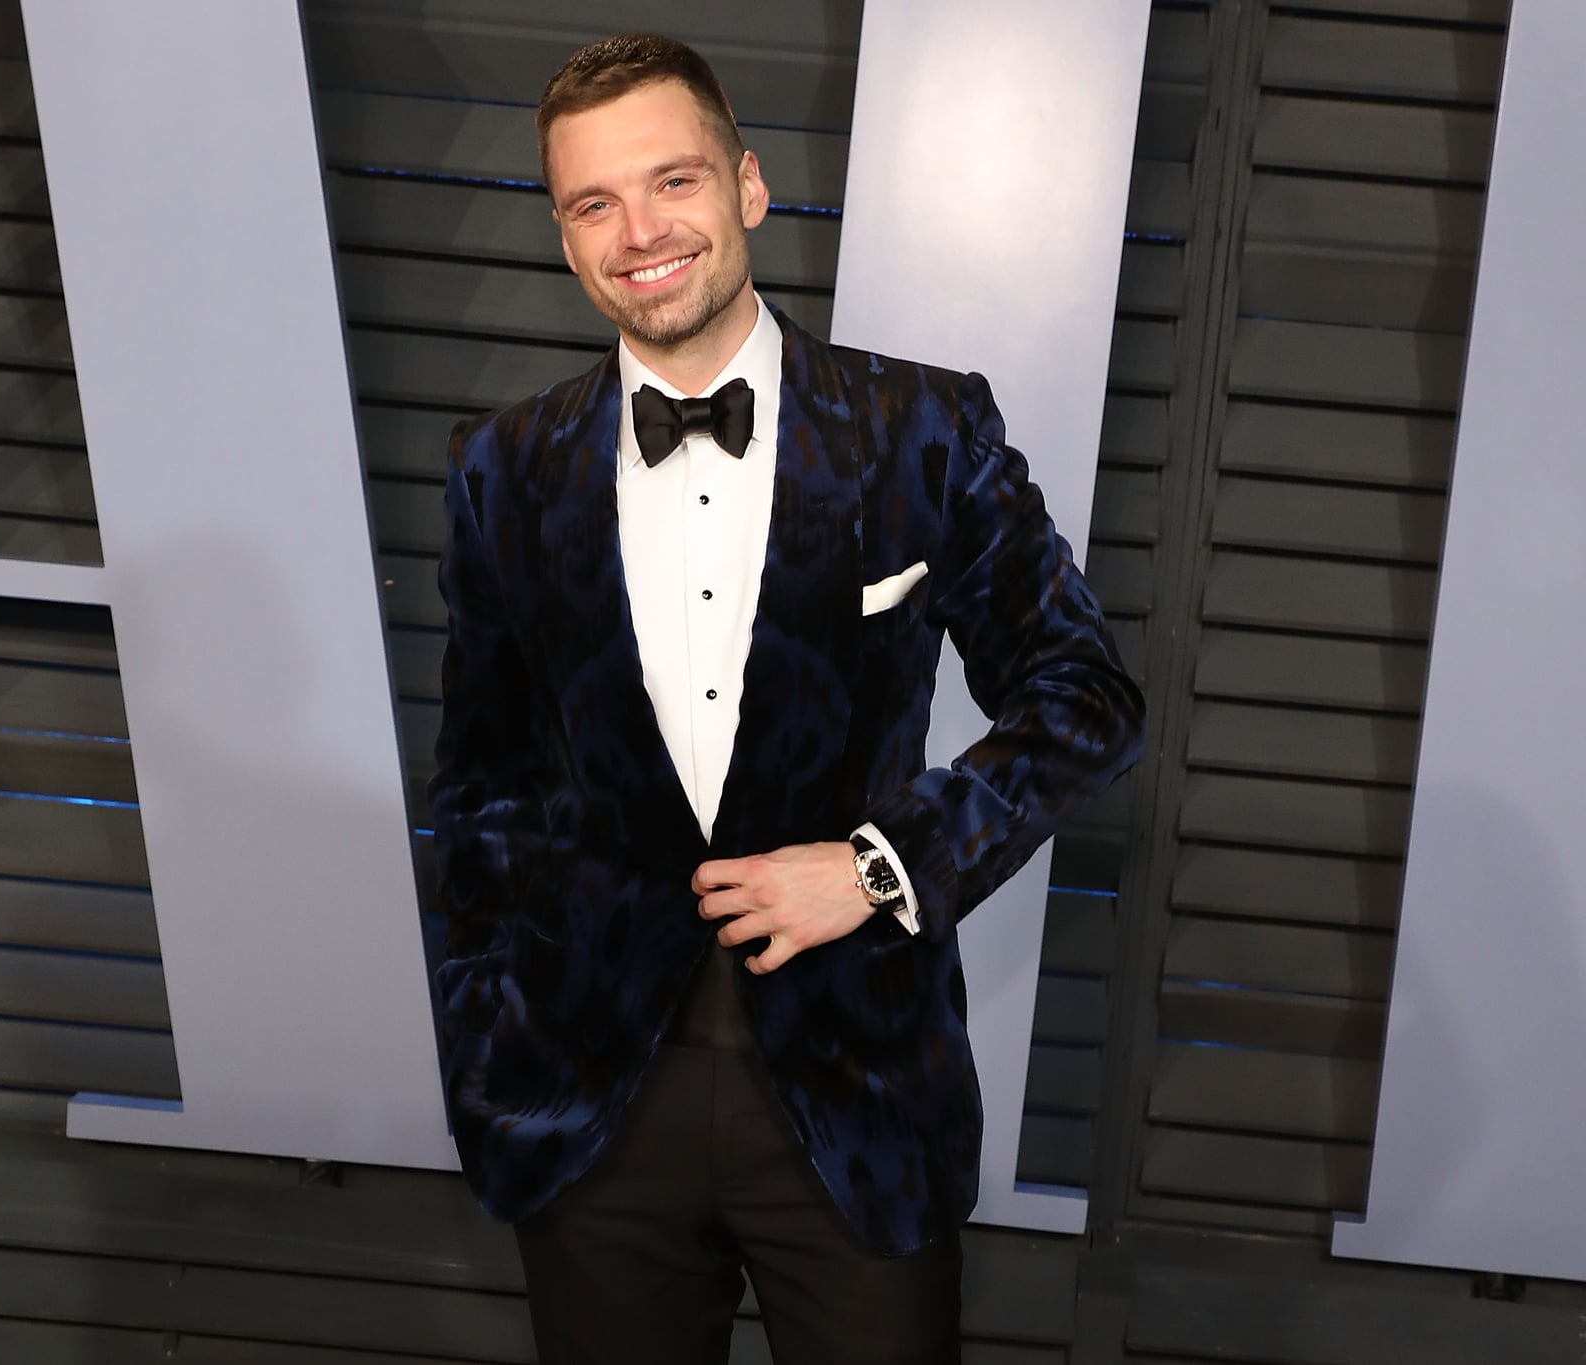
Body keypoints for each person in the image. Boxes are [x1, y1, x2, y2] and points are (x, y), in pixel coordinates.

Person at [429, 32, 1145, 1365]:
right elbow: (478, 794)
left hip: (857, 1094)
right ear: (564, 234)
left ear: (749, 188)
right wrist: (492, 1068)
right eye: (594, 203)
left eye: (672, 182)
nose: (639, 231)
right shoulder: (498, 471)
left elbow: (1088, 698)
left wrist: (879, 866)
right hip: (592, 1114)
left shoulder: (923, 432)